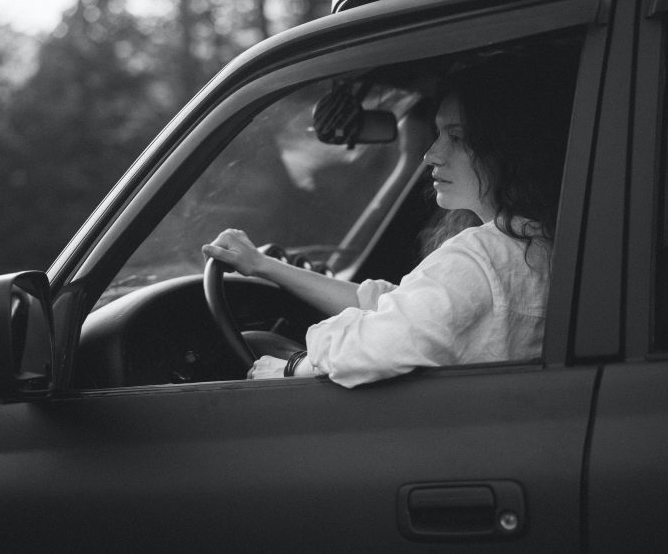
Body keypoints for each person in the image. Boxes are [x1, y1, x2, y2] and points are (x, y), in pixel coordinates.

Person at [202, 55, 573, 388]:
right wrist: (264, 266)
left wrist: (294, 366)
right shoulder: (537, 245)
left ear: (508, 150)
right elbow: (393, 306)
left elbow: (375, 345)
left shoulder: (483, 257)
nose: (431, 154)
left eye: (457, 138)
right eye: (437, 134)